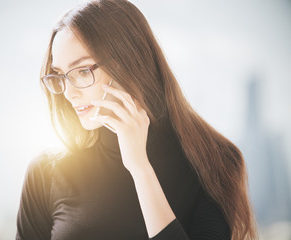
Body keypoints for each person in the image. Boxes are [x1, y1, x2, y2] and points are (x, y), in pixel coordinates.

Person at [16, 0, 258, 239]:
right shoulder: (46, 172)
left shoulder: (214, 160)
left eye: (82, 71)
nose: (69, 93)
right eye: (59, 75)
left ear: (129, 62)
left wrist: (140, 168)